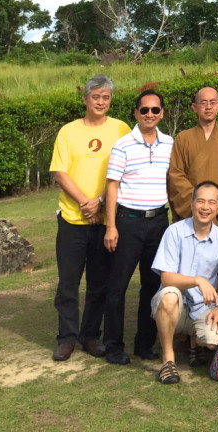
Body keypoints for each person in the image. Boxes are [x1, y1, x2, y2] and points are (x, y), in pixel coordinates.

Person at [49, 74, 131, 361]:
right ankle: (66, 337)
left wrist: (100, 204)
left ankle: (90, 335)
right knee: (68, 283)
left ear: (111, 100)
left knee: (99, 283)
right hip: (73, 218)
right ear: (85, 99)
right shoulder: (68, 131)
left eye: (106, 97)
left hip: (105, 218)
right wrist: (86, 202)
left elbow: (126, 172)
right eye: (95, 96)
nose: (100, 101)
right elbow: (60, 172)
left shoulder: (121, 128)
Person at [102, 89, 174, 365]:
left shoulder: (170, 143)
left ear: (162, 113)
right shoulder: (123, 145)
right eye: (144, 110)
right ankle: (113, 345)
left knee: (152, 285)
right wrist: (111, 226)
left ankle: (144, 343)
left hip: (158, 222)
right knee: (117, 286)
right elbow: (112, 185)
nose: (150, 115)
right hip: (128, 222)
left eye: (155, 110)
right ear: (135, 113)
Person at [150, 181, 218, 384]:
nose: (205, 207)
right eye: (201, 201)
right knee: (169, 296)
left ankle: (195, 342)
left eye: (212, 202)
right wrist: (197, 281)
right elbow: (166, 277)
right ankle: (168, 360)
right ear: (192, 202)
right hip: (175, 304)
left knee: (214, 342)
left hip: (203, 306)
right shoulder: (174, 232)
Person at [167, 87, 218, 230]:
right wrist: (198, 204)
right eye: (203, 103)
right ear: (194, 107)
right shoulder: (183, 138)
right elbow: (176, 176)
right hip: (191, 212)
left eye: (212, 102)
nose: (208, 107)